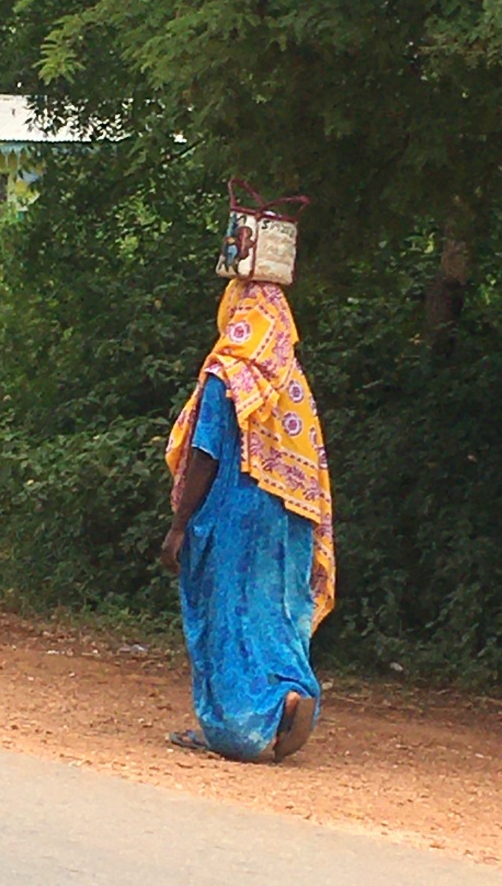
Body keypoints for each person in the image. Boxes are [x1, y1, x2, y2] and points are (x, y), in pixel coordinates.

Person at [162, 277, 334, 762]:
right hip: (289, 521)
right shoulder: (289, 380)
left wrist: (179, 524)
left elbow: (205, 451)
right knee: (276, 614)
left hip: (234, 514)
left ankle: (239, 729)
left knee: (230, 616)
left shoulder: (229, 373)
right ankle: (290, 698)